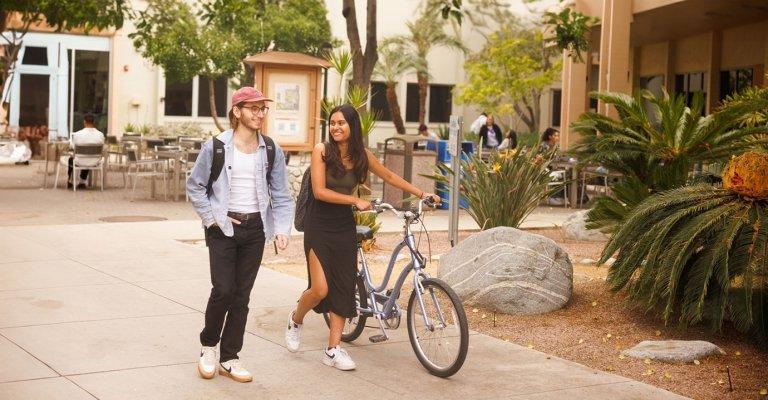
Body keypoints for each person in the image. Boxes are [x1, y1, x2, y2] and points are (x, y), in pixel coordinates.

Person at [284, 104, 440, 370]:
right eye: (332, 123)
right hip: (319, 226)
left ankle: (333, 349)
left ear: (352, 126)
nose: (335, 127)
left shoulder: (362, 155)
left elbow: (389, 175)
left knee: (344, 286)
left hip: (343, 226)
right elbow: (320, 192)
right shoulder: (322, 151)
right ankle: (296, 319)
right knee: (320, 289)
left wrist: (421, 193)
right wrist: (354, 200)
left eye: (341, 123)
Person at [187, 87, 294, 383]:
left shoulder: (271, 149)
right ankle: (209, 346)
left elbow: (282, 194)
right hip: (223, 228)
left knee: (242, 296)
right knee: (223, 290)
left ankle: (230, 357)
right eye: (254, 108)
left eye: (263, 109)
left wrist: (282, 230)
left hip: (255, 230)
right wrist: (212, 220)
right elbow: (195, 186)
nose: (260, 114)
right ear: (237, 112)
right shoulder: (217, 147)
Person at [68, 113, 104, 189]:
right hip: (95, 162)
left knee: (71, 159)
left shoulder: (77, 134)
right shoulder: (100, 135)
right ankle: (82, 182)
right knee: (88, 156)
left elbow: (72, 147)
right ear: (93, 122)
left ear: (84, 122)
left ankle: (69, 181)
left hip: (80, 161)